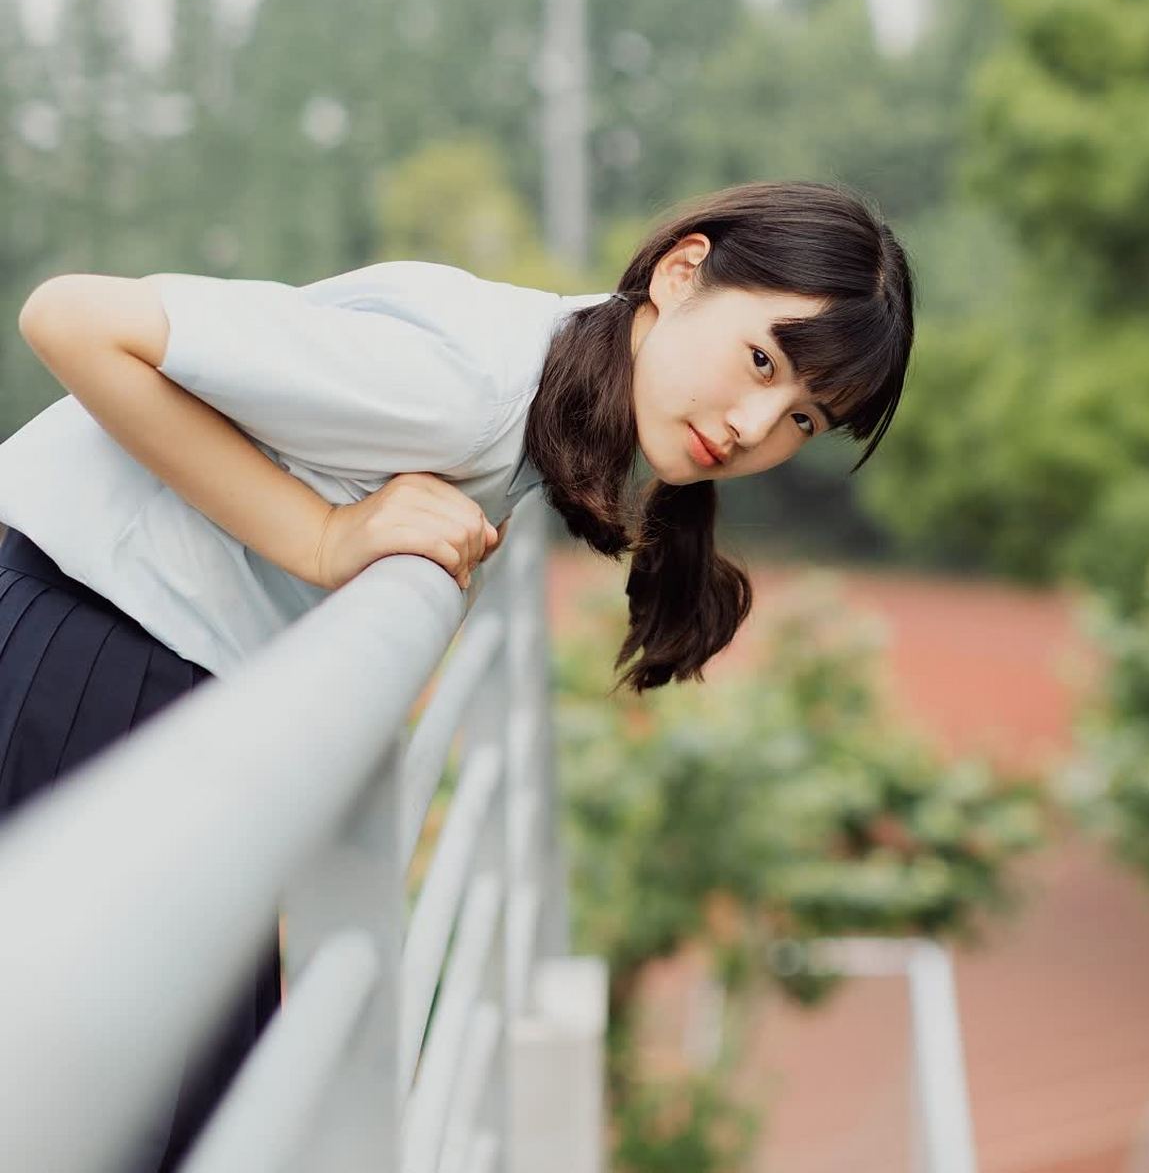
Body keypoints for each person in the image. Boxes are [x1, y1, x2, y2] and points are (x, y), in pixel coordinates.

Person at [0, 177, 915, 1169]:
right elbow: (73, 316)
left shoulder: (542, 370)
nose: (754, 424)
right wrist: (320, 535)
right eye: (761, 359)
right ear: (680, 270)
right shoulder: (470, 384)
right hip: (78, 643)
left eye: (803, 419)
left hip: (119, 658)